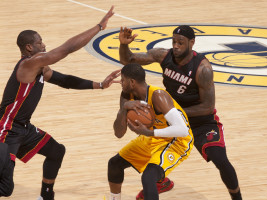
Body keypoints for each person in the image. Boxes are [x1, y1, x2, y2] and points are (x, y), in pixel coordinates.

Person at [0, 6, 119, 200]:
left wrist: (99, 84)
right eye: (40, 42)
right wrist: (99, 27)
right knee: (6, 188)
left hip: (23, 128)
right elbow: (66, 49)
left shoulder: (40, 69)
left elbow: (66, 81)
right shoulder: (28, 64)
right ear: (29, 47)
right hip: (7, 130)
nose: (44, 44)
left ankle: (46, 196)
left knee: (56, 151)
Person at [118, 25, 242, 200]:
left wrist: (176, 113)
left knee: (220, 159)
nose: (176, 46)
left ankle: (237, 197)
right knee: (148, 146)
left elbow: (207, 107)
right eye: (174, 41)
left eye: (181, 43)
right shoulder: (163, 55)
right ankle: (161, 181)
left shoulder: (202, 69)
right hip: (170, 117)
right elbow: (128, 60)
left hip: (200, 121)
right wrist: (124, 45)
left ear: (192, 43)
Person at [108, 63, 193, 200]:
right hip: (153, 136)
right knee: (114, 164)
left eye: (122, 80)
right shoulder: (126, 96)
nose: (120, 83)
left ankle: (159, 181)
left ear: (132, 82)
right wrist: (124, 109)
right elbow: (118, 133)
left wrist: (149, 133)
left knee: (148, 177)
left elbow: (182, 130)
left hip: (177, 140)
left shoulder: (158, 96)